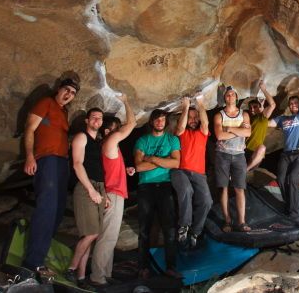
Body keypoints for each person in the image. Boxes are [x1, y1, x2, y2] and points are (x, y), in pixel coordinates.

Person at [22, 78, 79, 278]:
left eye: (73, 93)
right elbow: (30, 128)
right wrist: (30, 156)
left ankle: (40, 254)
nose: (69, 94)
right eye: (67, 89)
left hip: (61, 163)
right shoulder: (46, 103)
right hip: (46, 159)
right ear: (58, 89)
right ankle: (33, 262)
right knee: (47, 207)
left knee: (57, 211)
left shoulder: (64, 112)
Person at [89, 94, 137, 286]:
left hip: (112, 192)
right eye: (117, 128)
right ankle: (97, 277)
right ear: (108, 130)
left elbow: (109, 168)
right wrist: (126, 100)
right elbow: (132, 123)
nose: (120, 131)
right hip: (112, 194)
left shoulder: (107, 146)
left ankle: (105, 274)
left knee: (108, 236)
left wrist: (125, 170)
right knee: (107, 237)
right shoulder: (110, 141)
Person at [134, 109, 182, 280]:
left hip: (165, 186)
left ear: (166, 122)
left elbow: (176, 163)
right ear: (151, 122)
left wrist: (152, 158)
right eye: (157, 119)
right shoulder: (142, 140)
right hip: (145, 187)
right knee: (144, 229)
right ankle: (143, 267)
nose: (160, 122)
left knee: (169, 228)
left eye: (163, 119)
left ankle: (171, 267)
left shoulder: (172, 139)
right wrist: (164, 161)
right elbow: (138, 167)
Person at [64, 108, 107, 288]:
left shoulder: (97, 142)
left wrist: (103, 193)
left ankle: (81, 278)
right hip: (86, 187)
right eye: (94, 117)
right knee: (92, 233)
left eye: (100, 118)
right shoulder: (81, 137)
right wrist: (91, 190)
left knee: (89, 235)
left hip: (98, 187)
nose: (97, 120)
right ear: (87, 121)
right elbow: (77, 164)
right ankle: (71, 269)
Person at [269, 68, 299, 218]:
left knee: (293, 179)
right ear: (289, 106)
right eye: (291, 103)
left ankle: (292, 213)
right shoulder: (283, 119)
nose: (293, 104)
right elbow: (267, 124)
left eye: (296, 102)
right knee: (281, 179)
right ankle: (289, 205)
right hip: (286, 155)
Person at [171, 94, 211, 249]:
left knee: (207, 201)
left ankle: (195, 232)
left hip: (199, 174)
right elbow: (181, 126)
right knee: (187, 190)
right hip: (180, 171)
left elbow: (205, 123)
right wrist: (186, 107)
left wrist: (200, 103)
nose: (193, 120)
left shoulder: (202, 133)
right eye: (190, 118)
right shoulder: (181, 132)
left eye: (195, 117)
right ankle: (184, 226)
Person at [213, 86, 251, 232]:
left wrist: (229, 129)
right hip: (222, 154)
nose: (230, 97)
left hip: (239, 154)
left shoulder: (244, 114)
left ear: (236, 97)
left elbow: (248, 133)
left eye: (232, 94)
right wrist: (238, 132)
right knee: (223, 188)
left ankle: (241, 222)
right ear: (225, 98)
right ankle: (227, 221)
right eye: (227, 95)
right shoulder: (219, 115)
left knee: (240, 188)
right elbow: (219, 136)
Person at [245, 79, 276, 171]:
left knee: (262, 148)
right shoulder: (248, 118)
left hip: (255, 153)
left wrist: (263, 89)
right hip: (244, 150)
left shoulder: (262, 118)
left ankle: (246, 170)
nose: (252, 109)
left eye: (255, 107)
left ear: (260, 107)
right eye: (250, 108)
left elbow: (272, 105)